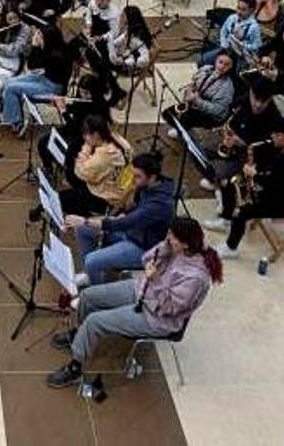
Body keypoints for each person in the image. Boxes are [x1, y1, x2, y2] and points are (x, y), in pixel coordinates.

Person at [46, 216, 222, 389]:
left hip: (157, 317)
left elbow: (171, 308)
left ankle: (75, 367)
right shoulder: (176, 249)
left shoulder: (196, 278)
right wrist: (164, 249)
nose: (168, 239)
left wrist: (156, 279)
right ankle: (79, 334)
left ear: (185, 244)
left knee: (94, 321)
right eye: (169, 235)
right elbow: (146, 259)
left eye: (173, 238)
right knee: (88, 296)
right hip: (142, 290)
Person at [65, 153, 174, 286]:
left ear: (152, 177)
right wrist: (126, 210)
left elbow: (123, 223)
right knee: (83, 230)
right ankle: (91, 275)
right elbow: (132, 210)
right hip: (133, 233)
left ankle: (96, 293)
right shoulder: (148, 187)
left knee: (91, 260)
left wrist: (85, 220)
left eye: (137, 176)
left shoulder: (159, 204)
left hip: (144, 248)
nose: (133, 180)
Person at [206, 117, 284, 257]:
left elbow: (278, 183)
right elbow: (269, 164)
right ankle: (226, 220)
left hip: (283, 201)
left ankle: (231, 248)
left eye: (277, 135)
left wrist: (255, 175)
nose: (272, 136)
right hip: (272, 188)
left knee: (242, 210)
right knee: (229, 183)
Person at [199, 76, 282, 193]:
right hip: (235, 144)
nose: (257, 105)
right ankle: (222, 178)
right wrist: (228, 135)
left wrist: (241, 142)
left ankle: (222, 183)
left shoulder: (275, 119)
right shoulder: (243, 102)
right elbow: (232, 123)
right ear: (250, 92)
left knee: (216, 174)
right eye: (255, 98)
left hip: (252, 158)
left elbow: (265, 150)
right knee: (200, 148)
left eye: (263, 101)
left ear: (270, 99)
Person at [1, 22, 73, 132]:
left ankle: (16, 123)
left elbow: (31, 65)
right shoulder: (55, 48)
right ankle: (16, 114)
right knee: (8, 82)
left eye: (39, 35)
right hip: (45, 78)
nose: (37, 37)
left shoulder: (55, 55)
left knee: (11, 88)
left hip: (53, 87)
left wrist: (35, 47)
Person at [58, 114, 133, 217]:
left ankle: (89, 220)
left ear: (96, 134)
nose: (84, 138)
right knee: (74, 179)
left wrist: (87, 147)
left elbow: (80, 171)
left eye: (86, 134)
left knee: (62, 199)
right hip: (120, 188)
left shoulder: (103, 155)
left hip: (106, 198)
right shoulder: (119, 140)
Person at [164, 52, 235, 135]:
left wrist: (198, 101)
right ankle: (184, 128)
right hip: (196, 104)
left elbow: (218, 110)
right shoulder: (206, 69)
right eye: (220, 62)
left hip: (212, 116)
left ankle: (185, 132)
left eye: (226, 65)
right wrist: (189, 93)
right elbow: (193, 82)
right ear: (216, 60)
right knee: (167, 113)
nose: (222, 66)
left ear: (231, 67)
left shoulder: (227, 87)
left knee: (186, 118)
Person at [202, 0, 261, 67]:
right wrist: (224, 44)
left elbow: (256, 46)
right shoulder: (232, 18)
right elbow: (223, 31)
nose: (239, 12)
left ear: (251, 10)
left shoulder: (254, 27)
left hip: (241, 56)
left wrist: (244, 46)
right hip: (227, 48)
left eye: (243, 10)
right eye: (238, 8)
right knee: (204, 59)